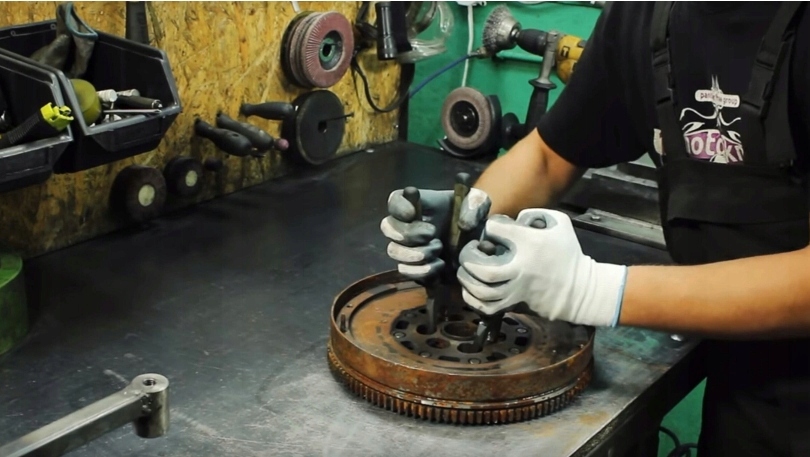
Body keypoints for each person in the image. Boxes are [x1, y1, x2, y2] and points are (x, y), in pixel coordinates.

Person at [380, 2, 810, 456]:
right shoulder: (644, 15)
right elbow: (549, 156)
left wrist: (593, 289)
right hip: (749, 385)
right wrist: (469, 219)